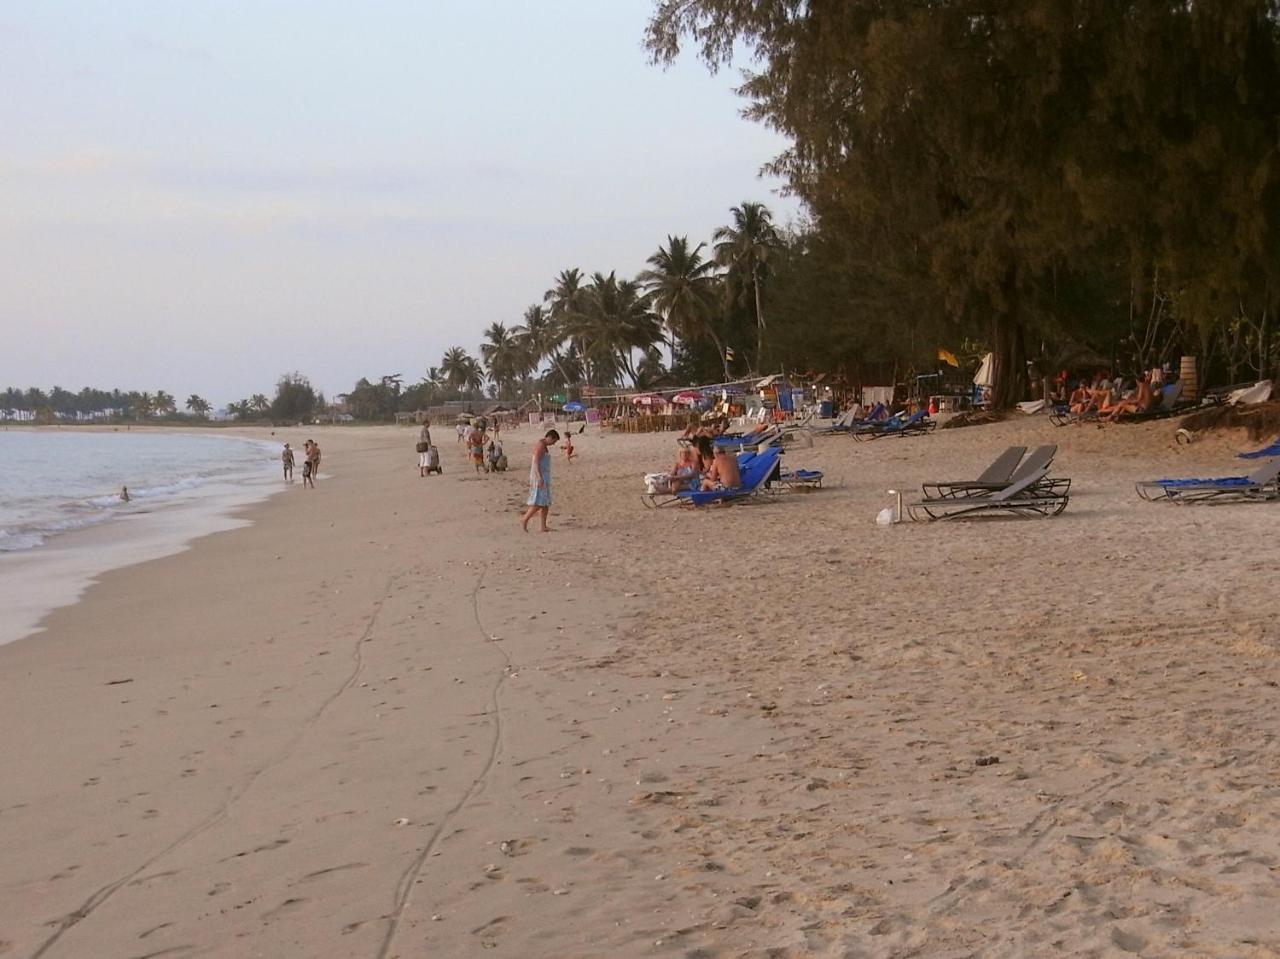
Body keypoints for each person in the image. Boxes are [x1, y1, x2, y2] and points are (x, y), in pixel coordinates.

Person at [521, 429, 560, 532]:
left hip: (544, 475)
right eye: (554, 441)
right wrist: (539, 477)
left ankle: (543, 526)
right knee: (539, 502)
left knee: (545, 503)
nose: (553, 443)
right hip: (539, 476)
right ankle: (525, 519)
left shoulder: (543, 445)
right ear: (549, 437)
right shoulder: (540, 446)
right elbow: (536, 462)